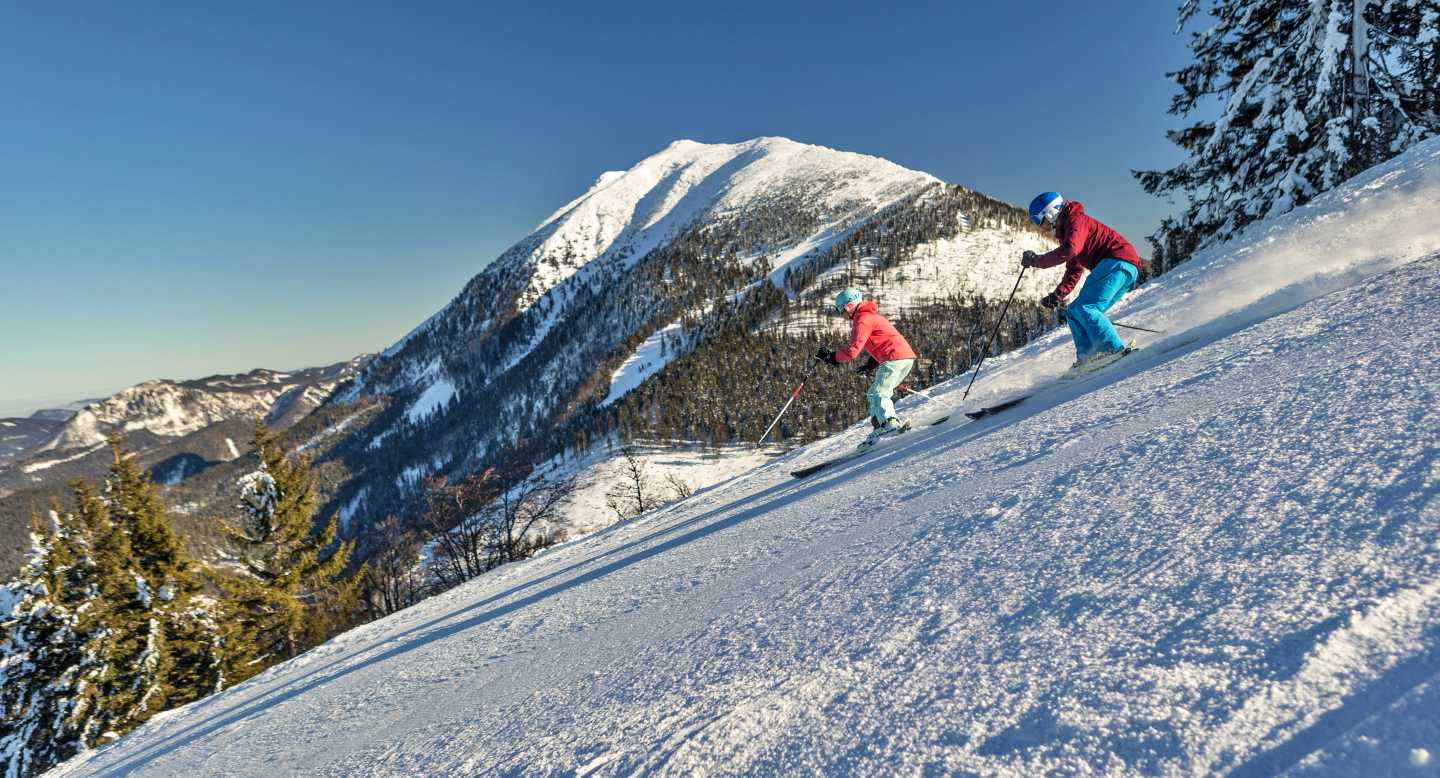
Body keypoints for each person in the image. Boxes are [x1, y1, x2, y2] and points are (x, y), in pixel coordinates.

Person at [1021, 192, 1144, 370]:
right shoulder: (1068, 231)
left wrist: (1035, 261)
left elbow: (1070, 250)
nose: (1041, 227)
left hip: (1117, 261)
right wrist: (1058, 294)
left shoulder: (1075, 220)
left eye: (1039, 221)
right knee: (1074, 311)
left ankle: (1112, 349)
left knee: (1087, 308)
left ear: (1050, 213)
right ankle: (1088, 356)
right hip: (1121, 267)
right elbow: (1074, 268)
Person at [816, 288, 918, 444]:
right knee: (874, 393)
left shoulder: (862, 319)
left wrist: (831, 357)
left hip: (894, 358)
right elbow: (882, 339)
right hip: (904, 357)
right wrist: (872, 363)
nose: (841, 314)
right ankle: (879, 427)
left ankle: (890, 423)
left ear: (849, 306)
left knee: (879, 393)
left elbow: (852, 351)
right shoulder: (870, 316)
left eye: (840, 309)